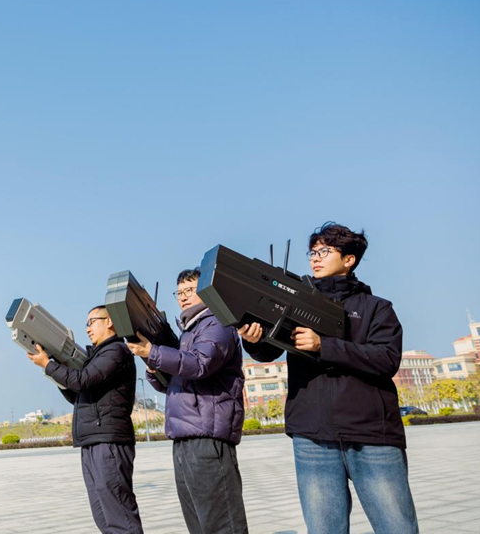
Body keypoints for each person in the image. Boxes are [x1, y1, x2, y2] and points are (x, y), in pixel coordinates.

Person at [238, 222, 419, 534]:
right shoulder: (294, 302)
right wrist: (253, 339)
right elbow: (268, 350)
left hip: (371, 434)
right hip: (312, 435)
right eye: (312, 253)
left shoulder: (377, 308)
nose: (315, 258)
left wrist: (325, 346)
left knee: (397, 527)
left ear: (349, 259)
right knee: (323, 529)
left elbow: (387, 359)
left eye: (324, 251)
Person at [127, 268, 248, 534]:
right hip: (185, 436)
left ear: (208, 291)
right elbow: (175, 383)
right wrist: (154, 369)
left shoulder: (217, 324)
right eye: (179, 292)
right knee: (199, 523)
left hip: (207, 437)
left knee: (221, 522)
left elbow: (200, 364)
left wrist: (154, 352)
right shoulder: (188, 333)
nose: (182, 296)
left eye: (190, 290)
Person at [27, 305, 143, 534]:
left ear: (109, 321)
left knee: (118, 513)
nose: (88, 329)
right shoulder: (96, 357)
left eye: (92, 322)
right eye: (86, 324)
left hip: (108, 441)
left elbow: (82, 380)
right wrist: (57, 372)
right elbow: (77, 394)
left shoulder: (116, 351)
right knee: (103, 515)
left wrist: (49, 365)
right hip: (92, 440)